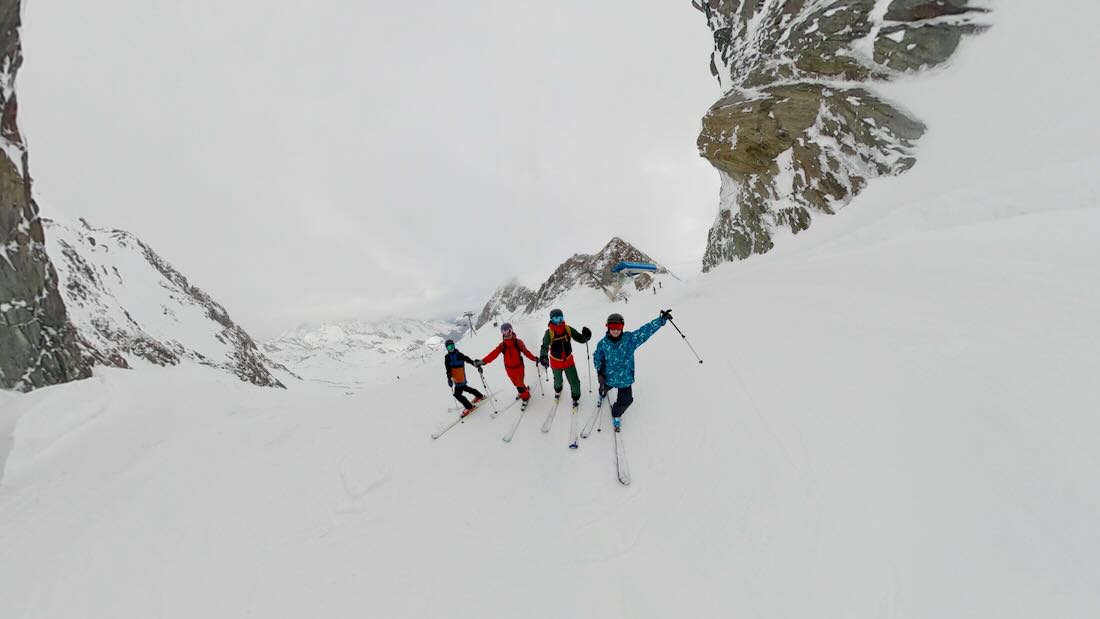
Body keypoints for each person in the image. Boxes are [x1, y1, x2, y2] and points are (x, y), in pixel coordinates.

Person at [593, 310, 670, 431]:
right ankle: (601, 393)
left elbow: (645, 331)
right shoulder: (602, 344)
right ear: (607, 327)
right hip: (608, 378)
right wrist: (599, 372)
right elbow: (597, 357)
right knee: (603, 388)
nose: (615, 330)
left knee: (627, 401)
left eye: (618, 327)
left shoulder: (629, 340)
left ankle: (616, 413)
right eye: (612, 327)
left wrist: (661, 320)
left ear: (622, 327)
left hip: (625, 380)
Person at [474, 322, 538, 405]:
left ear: (511, 330)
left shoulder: (518, 342)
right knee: (516, 384)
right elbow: (493, 354)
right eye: (503, 332)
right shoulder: (502, 345)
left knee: (519, 386)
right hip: (509, 369)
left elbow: (526, 352)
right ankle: (523, 389)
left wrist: (534, 358)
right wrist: (483, 361)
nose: (505, 334)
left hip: (519, 368)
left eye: (507, 331)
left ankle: (525, 398)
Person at [538, 308, 591, 406]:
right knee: (558, 381)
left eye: (560, 318)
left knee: (574, 382)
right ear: (551, 320)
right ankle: (558, 390)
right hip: (555, 362)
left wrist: (586, 337)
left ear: (563, 318)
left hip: (568, 361)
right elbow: (544, 346)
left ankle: (575, 397)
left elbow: (579, 338)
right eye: (555, 319)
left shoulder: (568, 329)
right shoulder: (549, 333)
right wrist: (543, 356)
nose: (558, 321)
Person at [443, 339, 484, 416]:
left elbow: (467, 359)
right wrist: (449, 379)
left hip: (461, 377)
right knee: (465, 388)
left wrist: (474, 364)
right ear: (447, 348)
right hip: (456, 379)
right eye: (449, 347)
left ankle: (469, 407)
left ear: (454, 346)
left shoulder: (459, 355)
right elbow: (448, 370)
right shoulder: (447, 358)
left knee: (457, 394)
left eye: (452, 346)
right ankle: (479, 396)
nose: (451, 348)